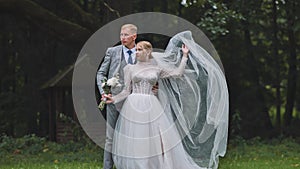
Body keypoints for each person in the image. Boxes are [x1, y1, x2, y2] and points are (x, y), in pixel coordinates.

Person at [104, 31, 229, 169]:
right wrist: (113, 99)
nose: (136, 52)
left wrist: (185, 56)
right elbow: (126, 91)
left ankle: (154, 164)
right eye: (136, 50)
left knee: (155, 136)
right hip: (133, 105)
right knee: (136, 136)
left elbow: (177, 73)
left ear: (148, 51)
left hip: (151, 104)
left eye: (139, 50)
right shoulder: (129, 68)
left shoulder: (156, 68)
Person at [96, 23, 138, 169]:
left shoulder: (142, 51)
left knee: (134, 137)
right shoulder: (112, 52)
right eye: (121, 34)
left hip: (135, 102)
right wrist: (104, 92)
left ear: (134, 36)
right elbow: (101, 73)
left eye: (126, 35)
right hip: (113, 100)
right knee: (110, 138)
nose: (122, 37)